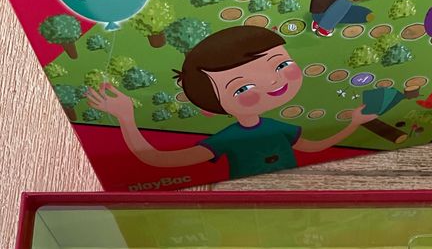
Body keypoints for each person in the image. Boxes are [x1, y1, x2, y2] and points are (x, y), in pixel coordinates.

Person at [86, 26, 376, 179]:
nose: (274, 83)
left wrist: (353, 124)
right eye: (242, 88)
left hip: (296, 186)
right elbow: (158, 160)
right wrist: (126, 118)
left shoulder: (278, 127)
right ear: (210, 106)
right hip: (248, 199)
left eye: (281, 65)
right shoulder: (228, 138)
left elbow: (313, 147)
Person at [310, 0, 375, 37]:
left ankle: (319, 22)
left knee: (366, 14)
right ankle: (324, 28)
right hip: (322, 13)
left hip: (320, 12)